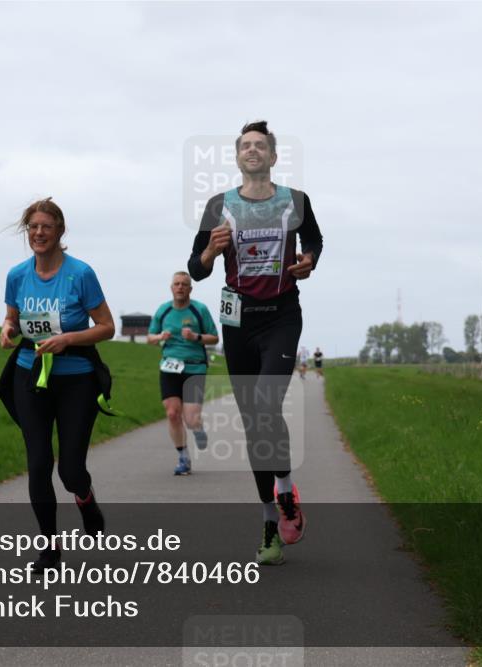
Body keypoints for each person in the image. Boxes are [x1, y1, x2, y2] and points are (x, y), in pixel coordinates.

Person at [188, 120, 323, 565]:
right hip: (238, 322)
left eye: (260, 146)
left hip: (282, 317)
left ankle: (285, 489)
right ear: (238, 156)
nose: (252, 151)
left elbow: (314, 241)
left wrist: (307, 262)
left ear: (273, 156)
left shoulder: (295, 201)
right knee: (254, 426)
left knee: (267, 404)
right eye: (245, 145)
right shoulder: (218, 206)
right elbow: (197, 267)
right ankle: (270, 520)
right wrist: (210, 251)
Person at [0, 197, 115, 573]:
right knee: (38, 463)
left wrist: (67, 339)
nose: (39, 233)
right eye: (33, 227)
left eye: (47, 226)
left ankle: (85, 498)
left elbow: (107, 327)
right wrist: (8, 329)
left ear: (60, 231)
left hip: (76, 377)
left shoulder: (80, 274)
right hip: (30, 375)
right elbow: (12, 318)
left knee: (70, 471)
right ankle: (49, 548)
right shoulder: (17, 275)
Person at [147, 271, 219, 475]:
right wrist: (160, 336)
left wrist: (196, 337)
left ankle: (198, 428)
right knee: (172, 414)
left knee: (191, 419)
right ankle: (183, 458)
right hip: (169, 367)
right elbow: (150, 338)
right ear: (171, 287)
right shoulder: (163, 310)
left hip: (195, 367)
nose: (180, 287)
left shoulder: (199, 310)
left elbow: (214, 338)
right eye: (176, 284)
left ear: (190, 289)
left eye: (184, 284)